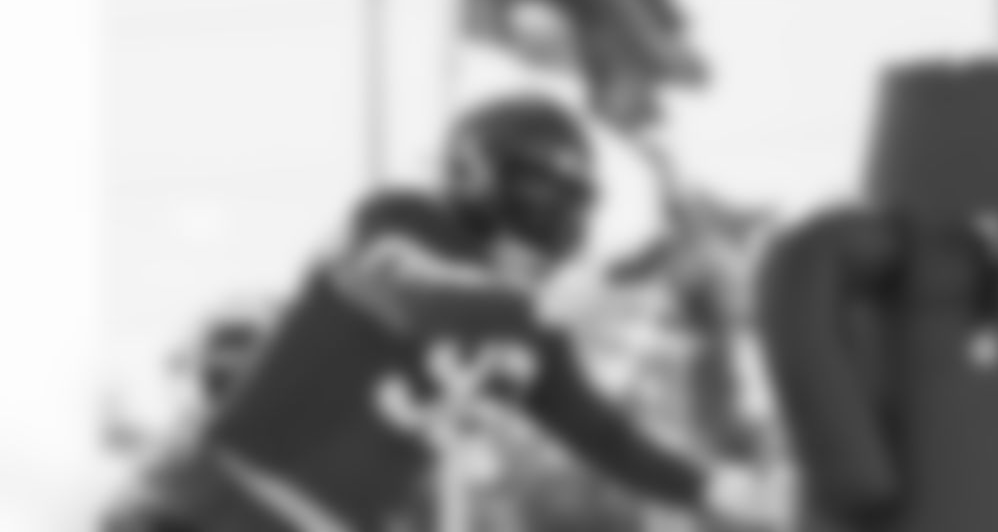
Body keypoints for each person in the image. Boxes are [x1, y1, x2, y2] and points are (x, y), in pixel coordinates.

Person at [114, 93, 791, 532]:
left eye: (570, 195)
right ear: (476, 173)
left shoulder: (532, 332)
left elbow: (603, 436)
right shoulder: (403, 219)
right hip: (205, 507)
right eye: (540, 185)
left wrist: (718, 487)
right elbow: (409, 289)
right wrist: (533, 303)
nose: (555, 209)